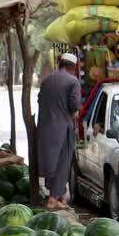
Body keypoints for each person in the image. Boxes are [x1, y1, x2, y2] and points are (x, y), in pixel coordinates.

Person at [37, 53, 82, 210]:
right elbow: (75, 105)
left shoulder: (46, 81)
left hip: (45, 127)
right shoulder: (73, 81)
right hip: (63, 127)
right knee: (63, 162)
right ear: (72, 67)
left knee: (51, 161)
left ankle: (59, 196)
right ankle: (53, 199)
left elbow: (40, 100)